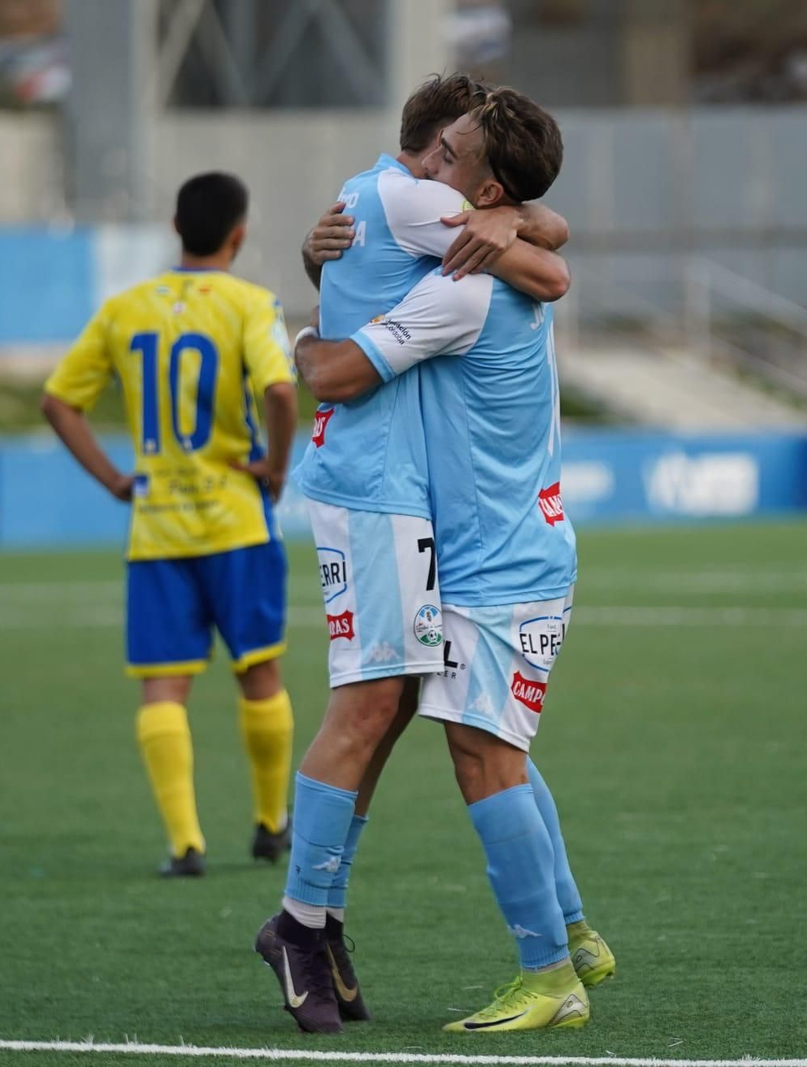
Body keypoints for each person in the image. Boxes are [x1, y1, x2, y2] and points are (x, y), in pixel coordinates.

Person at [253, 75, 609, 1035]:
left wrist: (296, 331)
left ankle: (541, 968)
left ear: (479, 196)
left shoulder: (458, 289)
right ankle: (566, 933)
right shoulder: (445, 235)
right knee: (450, 729)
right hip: (476, 541)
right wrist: (523, 228)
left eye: (455, 164)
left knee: (473, 748)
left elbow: (329, 371)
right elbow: (551, 253)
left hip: (493, 558)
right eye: (439, 152)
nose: (436, 171)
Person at [41, 172, 297, 878]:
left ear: (176, 230)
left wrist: (115, 478)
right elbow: (279, 390)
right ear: (238, 235)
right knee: (260, 672)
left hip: (158, 527)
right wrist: (276, 465)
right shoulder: (251, 303)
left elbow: (59, 402)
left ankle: (185, 841)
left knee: (163, 688)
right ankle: (272, 820)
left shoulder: (126, 308)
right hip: (238, 522)